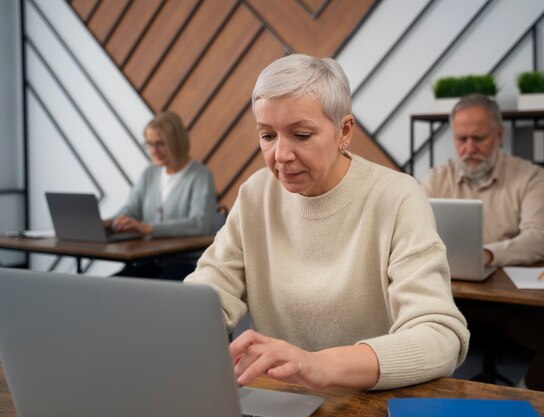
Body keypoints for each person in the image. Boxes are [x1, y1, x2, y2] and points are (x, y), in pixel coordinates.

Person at [184, 54, 469, 391]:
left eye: (301, 135)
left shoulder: (397, 197)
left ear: (343, 131)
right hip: (280, 401)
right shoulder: (256, 194)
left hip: (367, 401)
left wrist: (317, 364)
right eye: (267, 136)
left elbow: (440, 337)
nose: (281, 155)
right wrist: (174, 326)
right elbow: (209, 291)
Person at [420, 94, 544, 393]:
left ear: (499, 135)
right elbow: (414, 233)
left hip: (510, 303)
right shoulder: (436, 179)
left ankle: (520, 401)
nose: (469, 148)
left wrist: (488, 253)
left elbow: (539, 237)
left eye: (479, 138)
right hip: (449, 296)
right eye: (461, 139)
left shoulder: (531, 177)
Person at [107, 111, 217, 279]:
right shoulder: (149, 173)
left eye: (160, 144)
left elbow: (199, 224)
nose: (154, 151)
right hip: (151, 259)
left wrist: (149, 228)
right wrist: (108, 223)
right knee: (112, 284)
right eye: (149, 144)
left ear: (177, 143)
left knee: (150, 292)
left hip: (187, 263)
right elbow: (131, 209)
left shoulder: (201, 176)